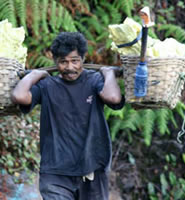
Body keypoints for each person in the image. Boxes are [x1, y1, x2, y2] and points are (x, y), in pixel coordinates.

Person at [11, 32, 125, 200]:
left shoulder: (93, 81)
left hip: (91, 167)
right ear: (55, 62)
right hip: (55, 172)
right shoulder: (47, 86)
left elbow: (114, 98)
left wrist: (107, 73)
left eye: (75, 61)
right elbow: (19, 96)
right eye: (63, 62)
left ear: (83, 59)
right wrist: (34, 75)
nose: (70, 67)